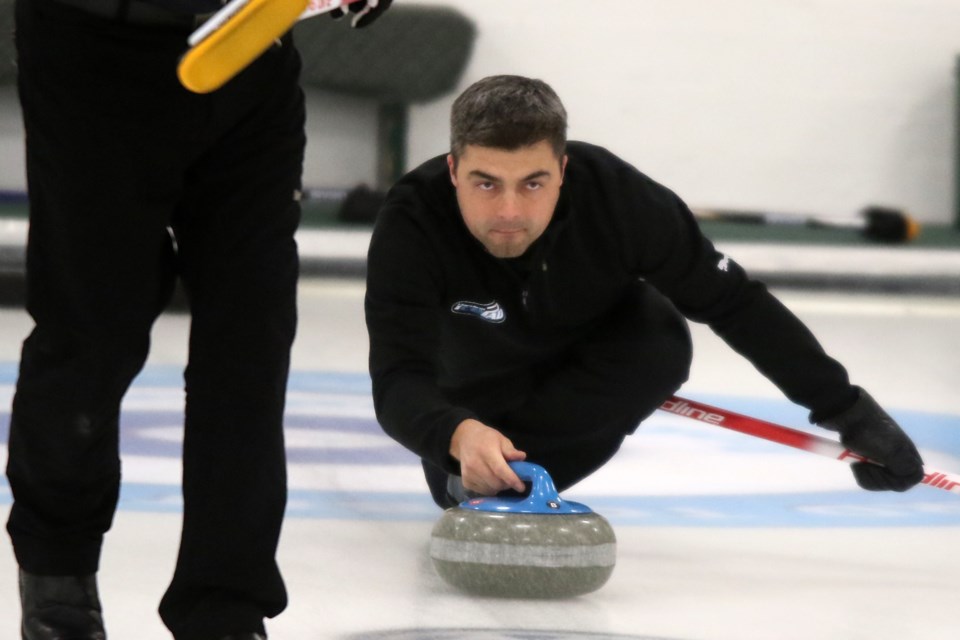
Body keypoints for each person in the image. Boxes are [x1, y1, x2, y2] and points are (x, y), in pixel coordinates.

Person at [5, 0, 391, 639]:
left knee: (250, 339)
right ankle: (58, 579)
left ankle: (227, 609)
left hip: (247, 50)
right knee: (91, 335)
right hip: (95, 54)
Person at [364, 74, 924, 510]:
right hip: (472, 394)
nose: (509, 211)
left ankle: (510, 486)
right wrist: (453, 435)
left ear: (563, 169)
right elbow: (398, 378)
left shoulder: (619, 199)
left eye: (533, 183)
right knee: (457, 429)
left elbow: (733, 302)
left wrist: (847, 410)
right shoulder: (413, 221)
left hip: (590, 363)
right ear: (454, 169)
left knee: (659, 334)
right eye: (487, 183)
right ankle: (478, 476)